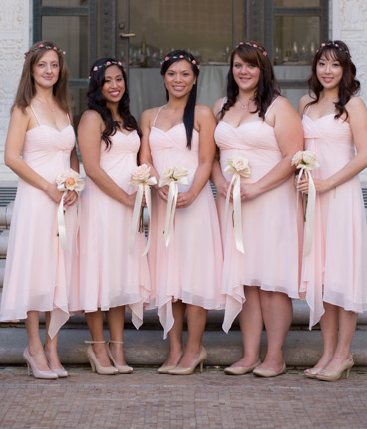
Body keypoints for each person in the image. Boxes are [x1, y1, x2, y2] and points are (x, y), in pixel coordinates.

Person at [212, 41, 303, 378]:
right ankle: (250, 353)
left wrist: (257, 187)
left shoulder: (278, 106)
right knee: (246, 280)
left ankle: (275, 356)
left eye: (250, 66)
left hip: (270, 202)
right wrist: (219, 180)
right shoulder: (221, 105)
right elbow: (210, 155)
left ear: (263, 69)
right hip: (233, 204)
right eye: (238, 65)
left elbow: (292, 157)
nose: (244, 72)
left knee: (271, 280)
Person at [0, 41, 79, 380]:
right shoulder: (24, 108)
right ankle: (33, 347)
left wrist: (75, 183)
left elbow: (71, 157)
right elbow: (11, 157)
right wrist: (47, 187)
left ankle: (51, 348)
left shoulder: (64, 108)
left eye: (54, 65)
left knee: (58, 272)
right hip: (36, 199)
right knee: (36, 270)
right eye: (43, 65)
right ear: (31, 69)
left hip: (65, 201)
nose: (49, 70)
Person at [139, 50, 222, 375]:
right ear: (163, 77)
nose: (178, 79)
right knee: (168, 278)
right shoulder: (150, 116)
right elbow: (145, 158)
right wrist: (155, 183)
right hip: (163, 206)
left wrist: (192, 192)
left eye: (185, 74)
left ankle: (194, 349)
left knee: (194, 277)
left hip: (193, 204)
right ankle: (173, 349)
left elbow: (206, 161)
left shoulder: (202, 113)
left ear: (195, 78)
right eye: (173, 73)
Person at [297, 40, 367, 382]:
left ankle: (344, 354)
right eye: (322, 65)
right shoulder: (305, 104)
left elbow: (365, 155)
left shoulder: (353, 106)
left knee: (343, 273)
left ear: (345, 71)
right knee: (322, 276)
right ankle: (327, 352)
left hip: (340, 197)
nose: (327, 71)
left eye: (335, 65)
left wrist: (328, 183)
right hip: (312, 199)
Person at [71, 58, 149, 375]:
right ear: (97, 86)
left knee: (119, 273)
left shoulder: (129, 120)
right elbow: (91, 168)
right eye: (107, 80)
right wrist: (126, 199)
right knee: (98, 271)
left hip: (128, 208)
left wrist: (139, 196)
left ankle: (118, 346)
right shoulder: (91, 118)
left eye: (118, 79)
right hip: (102, 206)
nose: (114, 85)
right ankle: (98, 347)